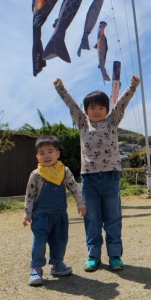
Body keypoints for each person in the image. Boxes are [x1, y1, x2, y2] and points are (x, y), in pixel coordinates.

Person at [54, 75, 140, 272]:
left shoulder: (112, 121)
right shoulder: (83, 123)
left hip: (110, 176)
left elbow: (123, 103)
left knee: (113, 217)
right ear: (86, 111)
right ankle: (93, 255)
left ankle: (115, 255)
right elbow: (72, 105)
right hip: (89, 178)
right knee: (91, 218)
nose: (96, 111)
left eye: (101, 108)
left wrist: (133, 85)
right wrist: (61, 88)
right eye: (92, 108)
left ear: (107, 110)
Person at [23, 135, 86, 286]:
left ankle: (57, 265)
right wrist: (27, 214)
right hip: (41, 216)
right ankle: (36, 268)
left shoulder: (64, 171)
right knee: (39, 242)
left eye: (50, 151)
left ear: (58, 153)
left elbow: (75, 189)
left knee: (60, 240)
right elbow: (30, 195)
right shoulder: (36, 174)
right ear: (37, 157)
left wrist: (81, 204)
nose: (46, 156)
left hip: (60, 215)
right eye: (42, 153)